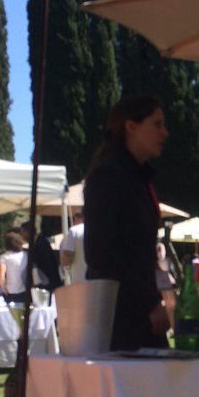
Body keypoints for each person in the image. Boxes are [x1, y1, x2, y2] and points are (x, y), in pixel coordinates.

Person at [84, 95, 170, 351]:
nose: (165, 133)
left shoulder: (139, 179)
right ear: (131, 127)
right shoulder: (108, 177)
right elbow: (100, 255)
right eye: (157, 124)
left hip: (141, 313)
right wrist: (149, 302)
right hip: (119, 319)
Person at [22, 221, 62, 291]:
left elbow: (44, 263)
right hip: (44, 282)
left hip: (49, 282)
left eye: (22, 232)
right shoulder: (35, 243)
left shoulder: (42, 243)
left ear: (27, 231)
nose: (21, 235)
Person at [0, 231, 28, 303]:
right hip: (24, 290)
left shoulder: (4, 257)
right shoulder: (26, 255)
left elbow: (1, 277)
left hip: (10, 291)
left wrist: (4, 289)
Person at [59, 208, 87, 285]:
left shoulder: (74, 231)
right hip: (98, 281)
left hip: (79, 280)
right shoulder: (99, 229)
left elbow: (67, 258)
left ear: (76, 218)